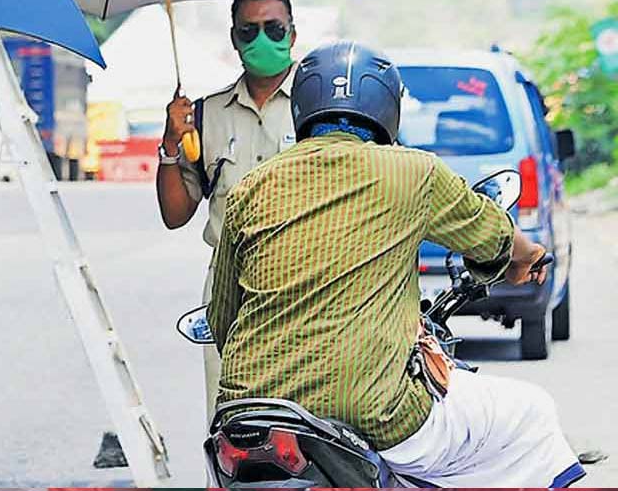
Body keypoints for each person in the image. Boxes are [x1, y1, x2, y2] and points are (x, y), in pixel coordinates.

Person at [207, 41, 584, 487]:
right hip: (374, 413)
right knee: (530, 410)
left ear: (303, 107)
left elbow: (222, 317)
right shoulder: (414, 173)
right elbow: (495, 235)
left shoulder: (251, 186)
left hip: (245, 419)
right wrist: (530, 256)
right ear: (389, 107)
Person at [155, 0, 301, 419]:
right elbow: (175, 214)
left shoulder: (318, 107)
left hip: (305, 283)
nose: (262, 41)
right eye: (249, 31)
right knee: (231, 420)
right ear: (234, 39)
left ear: (292, 34)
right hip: (229, 290)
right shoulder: (204, 115)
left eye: (273, 29)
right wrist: (169, 144)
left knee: (304, 422)